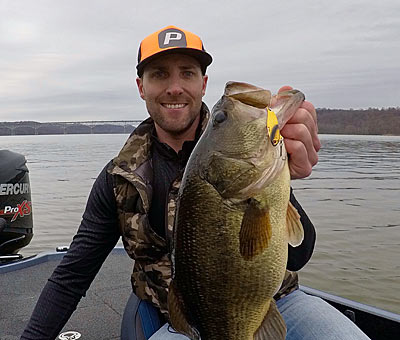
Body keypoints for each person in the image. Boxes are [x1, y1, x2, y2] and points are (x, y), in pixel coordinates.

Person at [21, 26, 369, 340]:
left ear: (203, 83)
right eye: (159, 74)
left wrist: (284, 173)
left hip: (275, 303)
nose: (175, 87)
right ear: (142, 87)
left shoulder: (252, 158)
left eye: (187, 73)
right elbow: (73, 274)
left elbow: (298, 255)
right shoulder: (118, 180)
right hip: (188, 324)